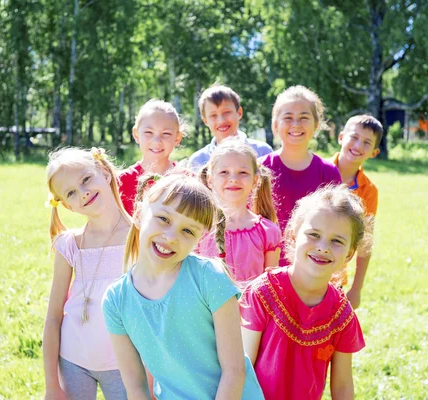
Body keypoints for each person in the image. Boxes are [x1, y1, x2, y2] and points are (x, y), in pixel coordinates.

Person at [102, 173, 264, 399]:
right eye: (164, 219)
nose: (171, 237)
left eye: (187, 231)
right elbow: (136, 387)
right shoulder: (116, 300)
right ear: (139, 214)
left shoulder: (210, 278)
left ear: (199, 239)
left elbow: (234, 371)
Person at [240, 185, 368, 400]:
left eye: (337, 241)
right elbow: (242, 368)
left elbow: (343, 385)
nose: (323, 247)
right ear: (292, 236)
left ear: (350, 254)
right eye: (314, 234)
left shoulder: (341, 314)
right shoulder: (262, 293)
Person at [42, 147, 131, 400]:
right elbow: (52, 319)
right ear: (67, 205)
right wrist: (52, 386)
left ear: (104, 172)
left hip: (124, 364)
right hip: (73, 361)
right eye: (71, 192)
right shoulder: (69, 245)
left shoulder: (141, 237)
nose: (83, 192)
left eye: (86, 179)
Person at [259, 85, 342, 265]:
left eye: (304, 118)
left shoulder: (328, 173)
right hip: (265, 268)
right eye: (288, 117)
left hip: (314, 266)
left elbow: (338, 226)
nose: (296, 124)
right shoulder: (259, 168)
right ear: (275, 125)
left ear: (316, 124)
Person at [197, 138, 281, 289]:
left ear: (255, 180)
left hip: (253, 312)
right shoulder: (198, 228)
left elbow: (271, 289)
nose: (233, 179)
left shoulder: (268, 232)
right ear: (210, 179)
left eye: (243, 172)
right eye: (224, 172)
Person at [329, 114, 383, 309]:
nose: (358, 145)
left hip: (334, 278)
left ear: (374, 152)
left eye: (367, 142)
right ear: (341, 137)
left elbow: (365, 241)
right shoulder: (317, 171)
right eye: (354, 137)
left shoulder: (369, 191)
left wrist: (356, 288)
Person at [118, 99, 184, 216]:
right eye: (148, 132)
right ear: (136, 134)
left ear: (177, 138)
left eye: (166, 134)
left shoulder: (187, 181)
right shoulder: (121, 182)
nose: (157, 141)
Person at [189, 84, 272, 170]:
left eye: (227, 112)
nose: (221, 120)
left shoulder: (263, 152)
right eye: (213, 115)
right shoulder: (197, 161)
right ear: (205, 120)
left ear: (239, 112)